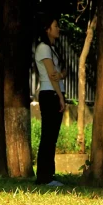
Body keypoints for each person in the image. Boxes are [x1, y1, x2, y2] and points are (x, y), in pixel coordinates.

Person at [35, 16, 67, 189]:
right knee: (48, 135)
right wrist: (60, 97)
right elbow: (51, 75)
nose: (58, 28)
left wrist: (61, 75)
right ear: (47, 29)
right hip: (50, 93)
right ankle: (44, 176)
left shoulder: (53, 49)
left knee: (52, 137)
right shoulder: (43, 48)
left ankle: (49, 174)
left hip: (55, 92)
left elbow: (62, 72)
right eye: (55, 26)